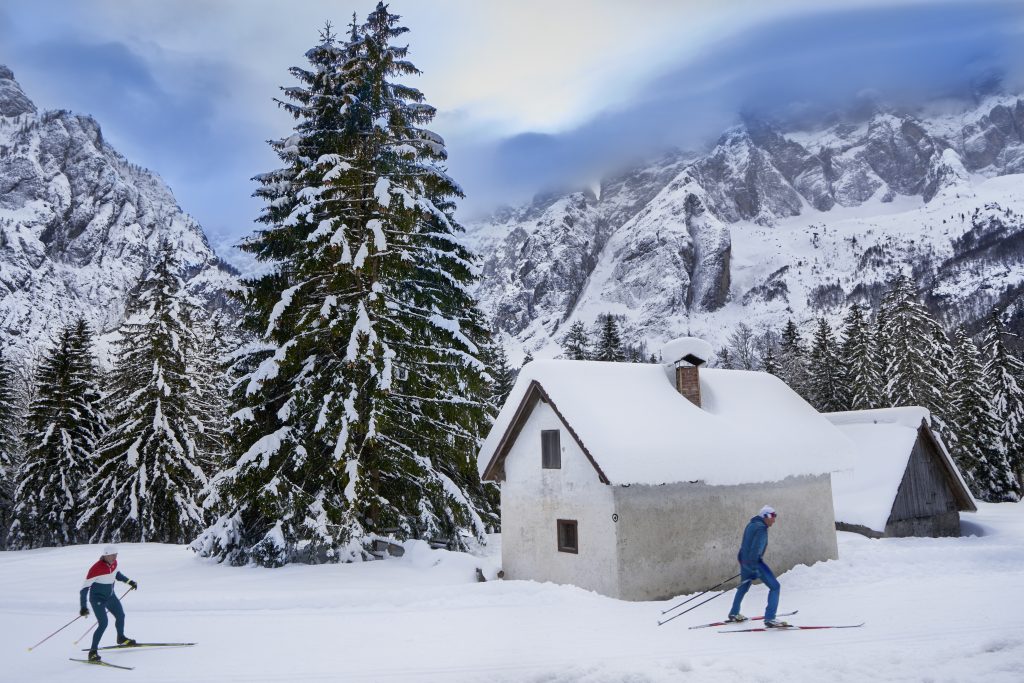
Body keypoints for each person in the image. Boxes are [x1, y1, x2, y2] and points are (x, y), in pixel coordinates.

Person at [726, 505, 788, 628]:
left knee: (743, 586)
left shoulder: (751, 525)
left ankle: (734, 613)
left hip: (744, 560)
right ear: (765, 516)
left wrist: (745, 565)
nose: (774, 520)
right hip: (754, 562)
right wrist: (753, 567)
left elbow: (744, 546)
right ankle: (770, 618)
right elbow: (756, 549)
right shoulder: (761, 529)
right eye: (772, 516)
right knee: (775, 587)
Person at [79, 545, 138, 661]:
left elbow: (117, 575)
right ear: (105, 555)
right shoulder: (95, 568)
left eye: (115, 555)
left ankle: (121, 638)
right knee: (103, 623)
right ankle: (93, 652)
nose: (114, 558)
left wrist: (130, 582)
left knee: (121, 616)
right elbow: (84, 589)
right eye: (112, 555)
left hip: (111, 597)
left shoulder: (114, 563)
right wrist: (83, 606)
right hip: (97, 599)